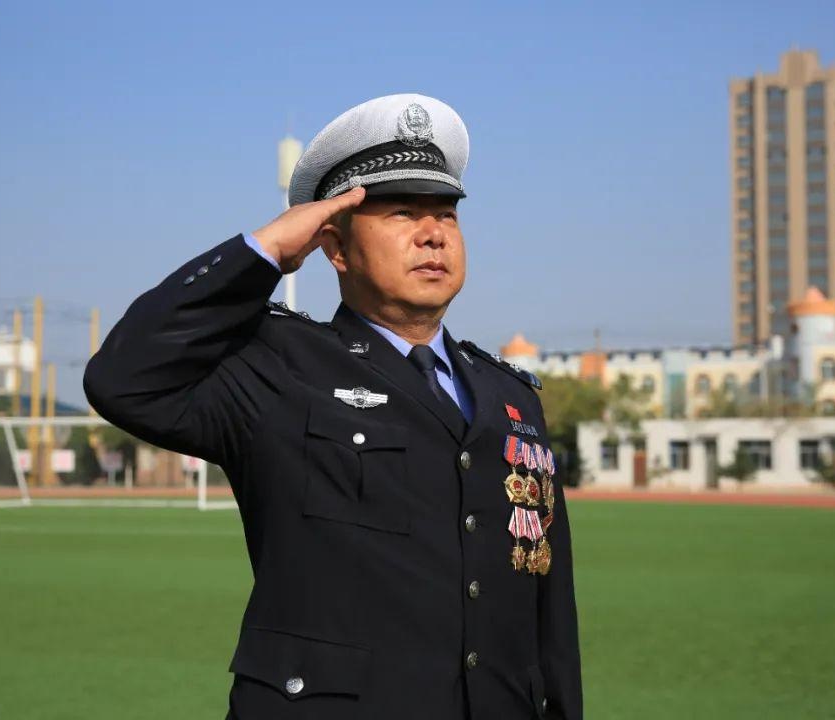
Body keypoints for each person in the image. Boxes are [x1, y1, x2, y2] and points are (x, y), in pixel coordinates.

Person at [84, 93, 582, 719]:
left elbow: (549, 610)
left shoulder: (511, 399)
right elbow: (123, 378)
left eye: (446, 215)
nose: (433, 233)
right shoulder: (278, 367)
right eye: (402, 212)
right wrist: (263, 252)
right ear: (336, 249)